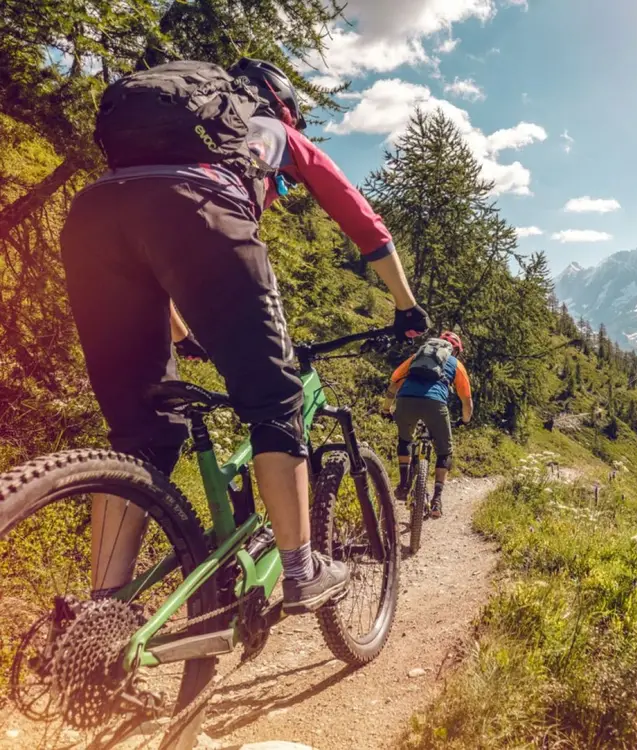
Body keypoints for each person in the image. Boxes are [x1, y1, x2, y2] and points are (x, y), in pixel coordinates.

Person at [60, 57, 429, 615]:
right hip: (200, 212)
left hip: (91, 217)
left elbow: (149, 253)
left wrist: (183, 336)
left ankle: (101, 613)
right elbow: (362, 221)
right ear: (280, 106)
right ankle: (302, 570)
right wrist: (406, 306)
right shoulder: (277, 133)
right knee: (274, 399)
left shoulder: (164, 141)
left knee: (142, 432)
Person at [381, 331, 473, 518]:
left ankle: (404, 485)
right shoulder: (456, 365)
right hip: (435, 405)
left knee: (405, 440)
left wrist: (386, 409)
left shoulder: (416, 358)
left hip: (406, 401)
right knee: (444, 451)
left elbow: (393, 383)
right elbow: (467, 402)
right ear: (455, 351)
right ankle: (437, 500)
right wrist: (465, 420)